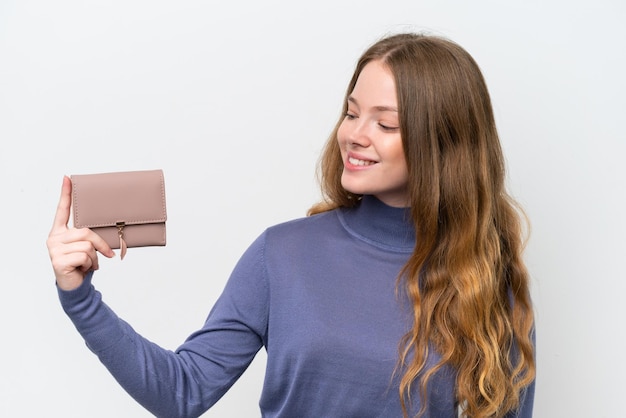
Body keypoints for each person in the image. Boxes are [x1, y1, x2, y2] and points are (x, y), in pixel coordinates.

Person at [47, 32, 536, 418]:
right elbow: (182, 392)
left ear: (444, 143)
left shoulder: (486, 280)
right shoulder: (281, 254)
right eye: (351, 113)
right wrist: (80, 299)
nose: (354, 136)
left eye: (386, 124)